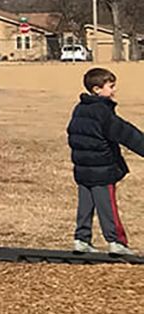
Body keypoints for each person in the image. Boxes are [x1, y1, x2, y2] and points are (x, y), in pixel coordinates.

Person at [69, 66, 144, 255]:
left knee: (85, 205)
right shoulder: (102, 111)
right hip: (102, 169)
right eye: (110, 86)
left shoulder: (80, 108)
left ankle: (81, 239)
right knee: (107, 205)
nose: (114, 90)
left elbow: (73, 134)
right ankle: (116, 242)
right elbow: (126, 134)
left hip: (83, 168)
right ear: (97, 90)